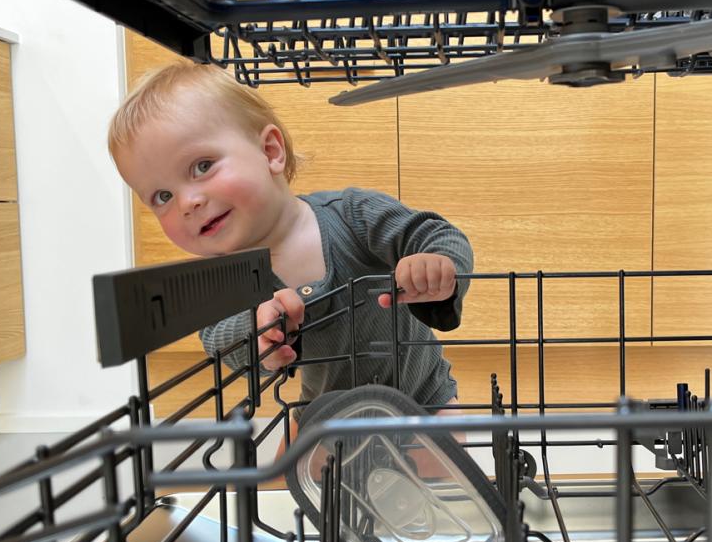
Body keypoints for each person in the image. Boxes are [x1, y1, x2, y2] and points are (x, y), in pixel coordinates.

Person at [107, 63, 472, 448]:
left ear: (270, 151)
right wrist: (257, 334)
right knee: (281, 479)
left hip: (422, 401)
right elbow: (217, 338)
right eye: (162, 196)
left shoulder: (353, 214)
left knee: (446, 469)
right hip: (327, 415)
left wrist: (435, 263)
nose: (188, 202)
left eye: (202, 166)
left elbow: (437, 235)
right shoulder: (226, 279)